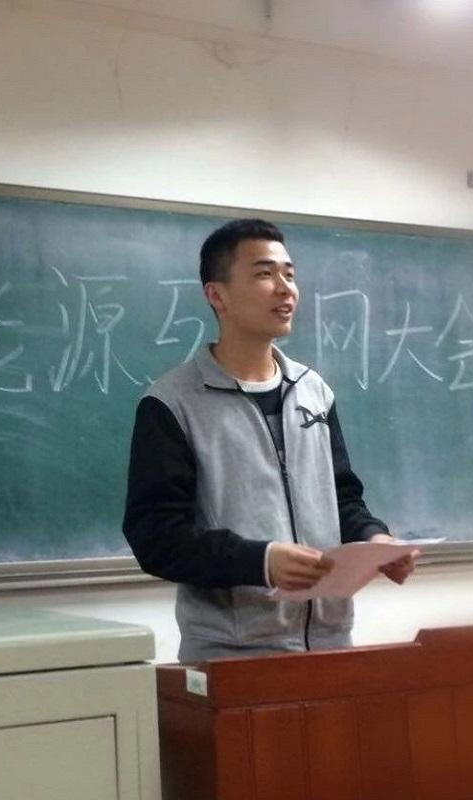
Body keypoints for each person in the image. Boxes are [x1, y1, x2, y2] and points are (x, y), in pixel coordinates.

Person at [123, 218, 418, 663]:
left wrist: (374, 540)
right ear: (216, 295)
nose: (285, 289)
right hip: (231, 656)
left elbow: (342, 498)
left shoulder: (314, 390)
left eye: (289, 275)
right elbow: (156, 537)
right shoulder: (172, 403)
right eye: (264, 274)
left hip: (330, 646)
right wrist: (259, 561)